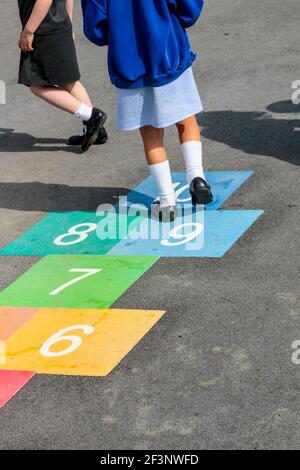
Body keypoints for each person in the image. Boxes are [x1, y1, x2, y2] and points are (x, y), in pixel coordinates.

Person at [82, 0, 213, 219]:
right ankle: (196, 176)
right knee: (185, 119)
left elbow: (96, 28)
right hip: (169, 51)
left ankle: (167, 200)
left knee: (151, 134)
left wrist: (117, 30)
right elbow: (189, 7)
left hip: (130, 60)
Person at [17, 0, 107, 152]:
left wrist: (29, 31)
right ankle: (95, 130)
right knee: (69, 82)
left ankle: (90, 116)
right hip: (59, 24)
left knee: (37, 85)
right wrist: (69, 22)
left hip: (43, 30)